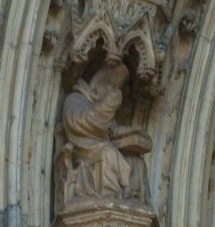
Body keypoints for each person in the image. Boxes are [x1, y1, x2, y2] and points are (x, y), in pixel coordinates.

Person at [61, 61, 151, 205]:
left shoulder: (100, 106)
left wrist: (133, 135)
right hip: (85, 156)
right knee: (108, 152)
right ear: (99, 85)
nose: (111, 91)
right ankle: (111, 197)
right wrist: (108, 105)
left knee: (137, 163)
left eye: (114, 88)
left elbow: (113, 131)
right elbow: (83, 122)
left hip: (102, 150)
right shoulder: (75, 100)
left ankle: (134, 199)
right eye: (111, 86)